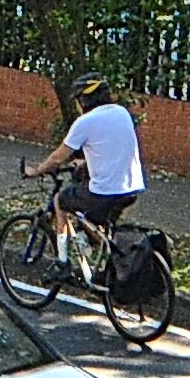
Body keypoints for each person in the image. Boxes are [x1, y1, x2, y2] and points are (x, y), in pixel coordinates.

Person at [22, 73, 144, 251]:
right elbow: (109, 146)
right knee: (94, 219)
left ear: (84, 100)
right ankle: (103, 251)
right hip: (131, 188)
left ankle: (63, 263)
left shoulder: (85, 122)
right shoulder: (122, 113)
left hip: (105, 191)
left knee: (60, 201)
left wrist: (37, 170)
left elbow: (57, 157)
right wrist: (86, 162)